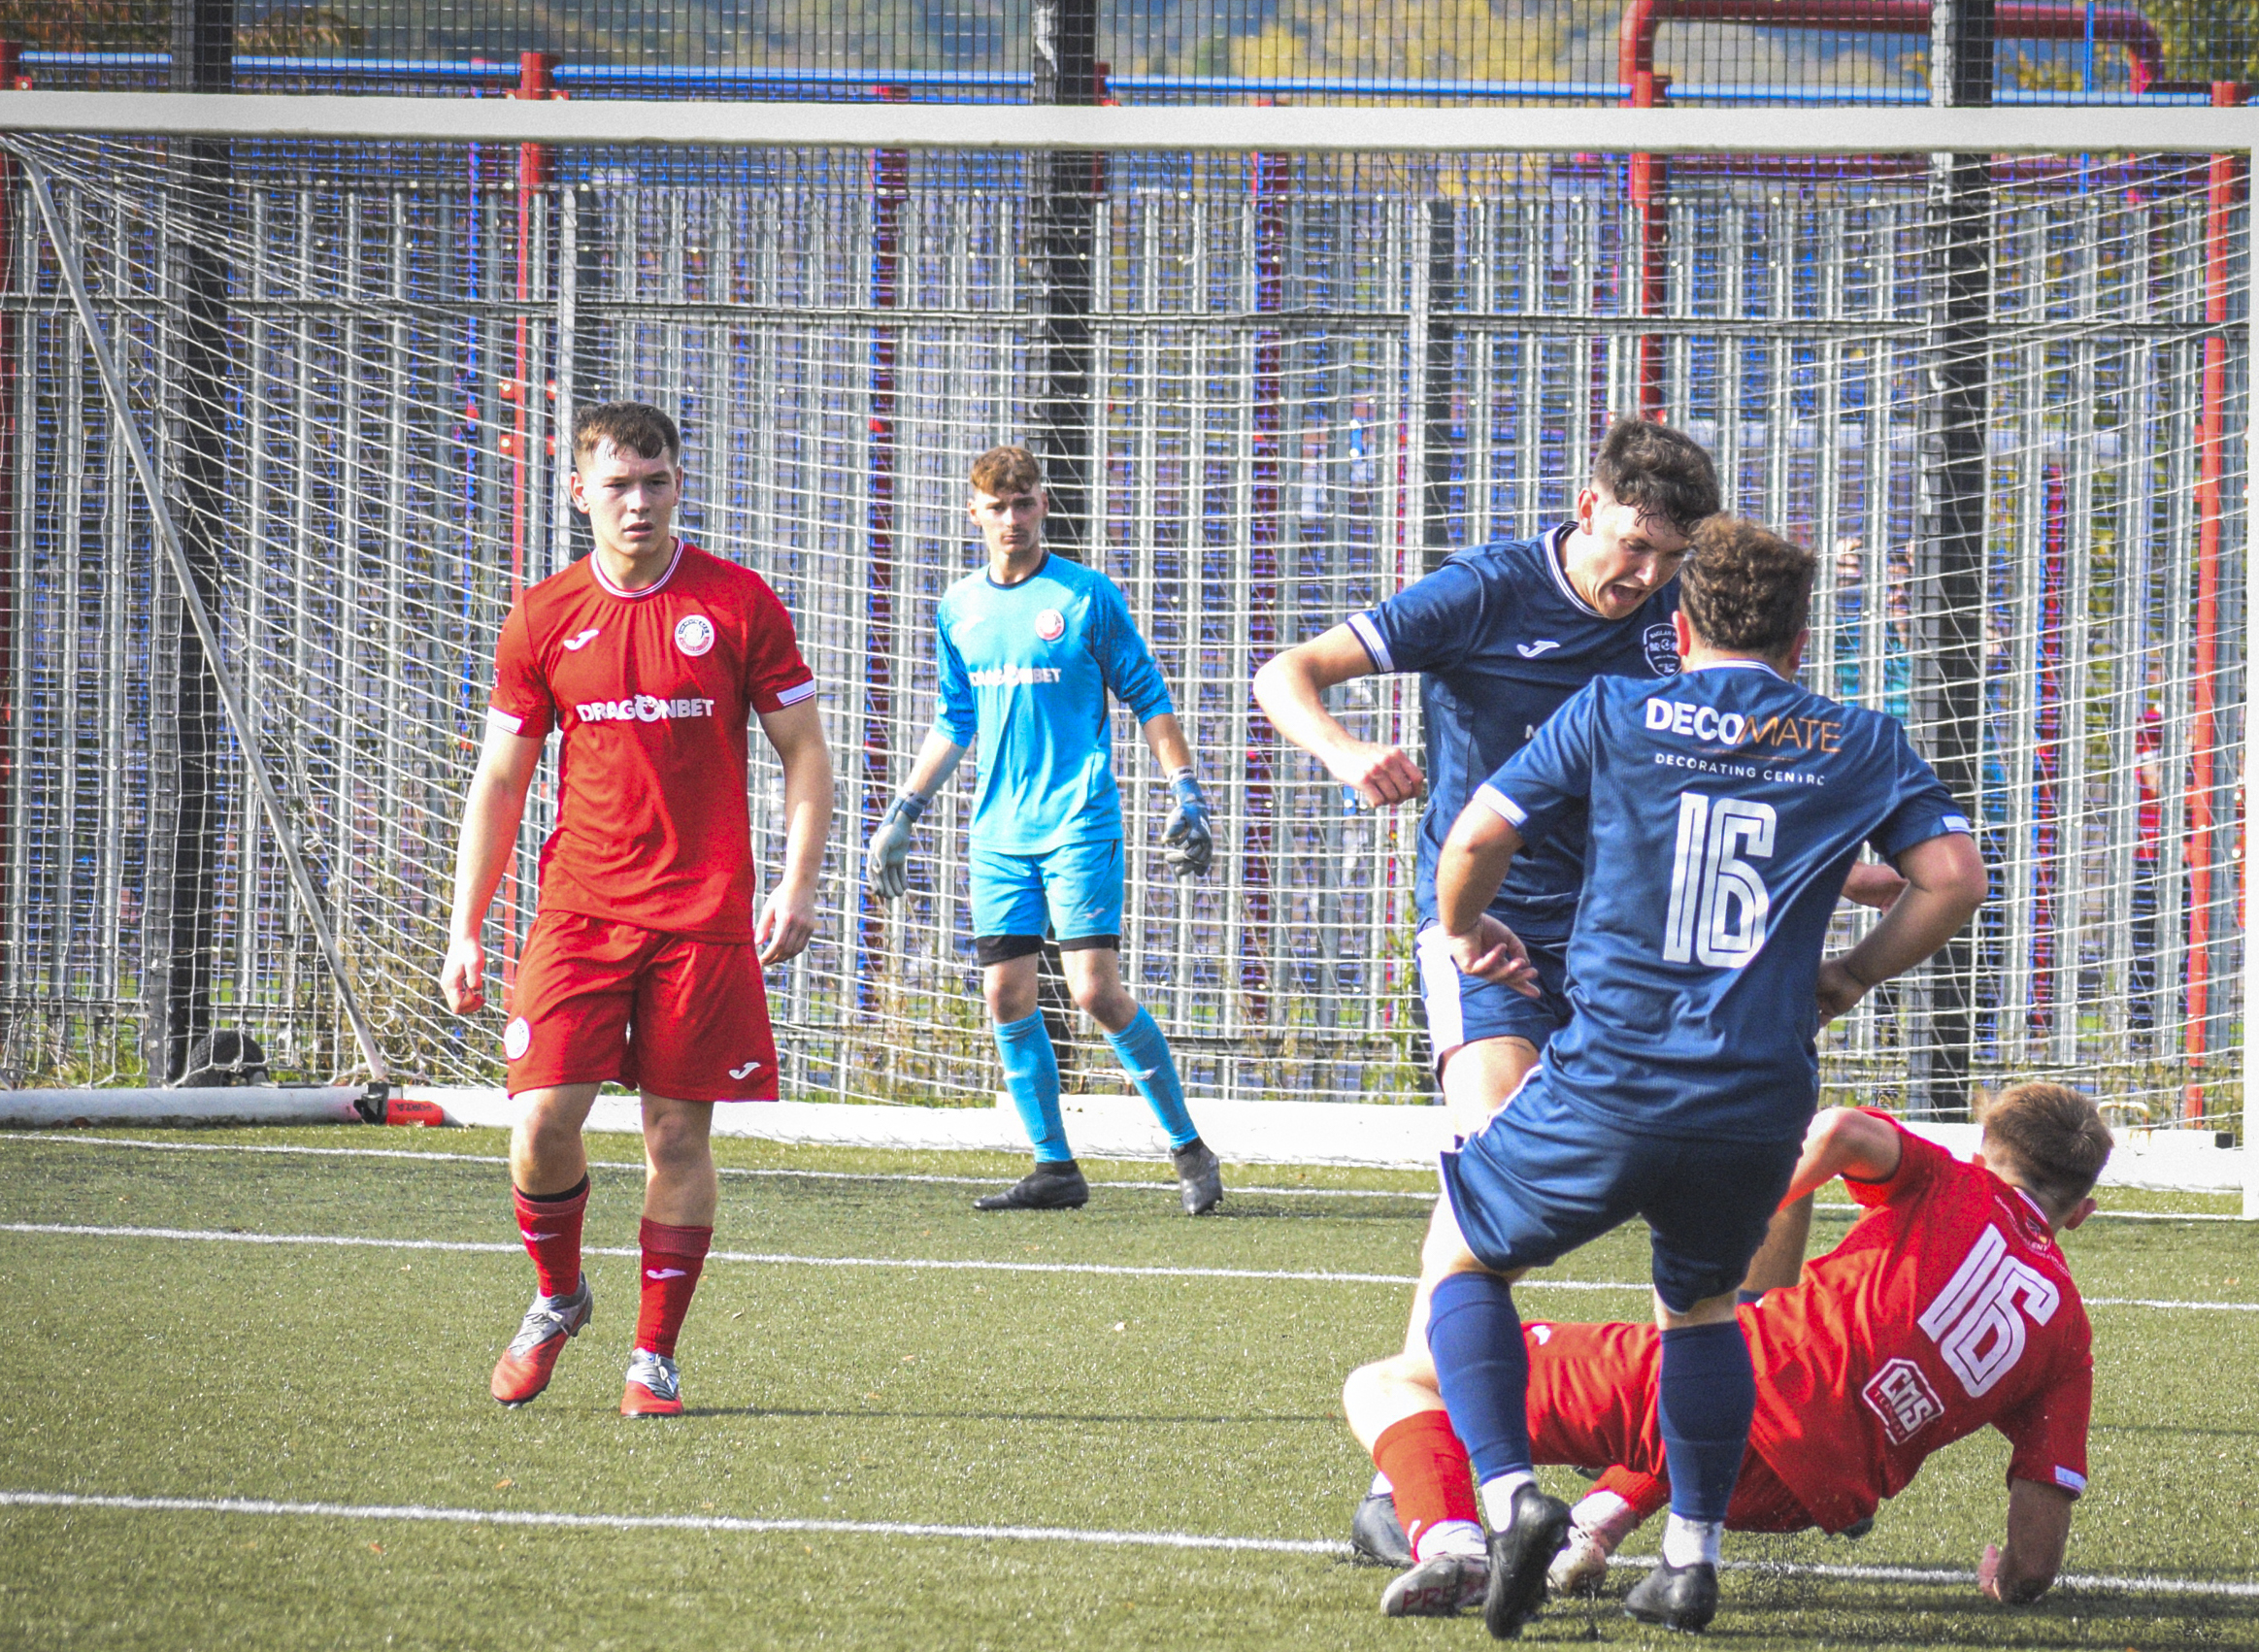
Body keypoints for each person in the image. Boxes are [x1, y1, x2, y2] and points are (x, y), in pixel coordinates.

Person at [1402, 513, 1987, 1638]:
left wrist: (1467, 934)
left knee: (1465, 1254)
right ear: (1802, 642)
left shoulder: (1618, 706)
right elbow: (1954, 876)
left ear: (1678, 628)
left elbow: (1475, 834)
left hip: (1610, 1077)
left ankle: (1512, 1496)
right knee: (1704, 1308)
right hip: (1755, 1097)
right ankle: (1688, 1555)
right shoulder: (1857, 737)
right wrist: (1852, 975)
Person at [1343, 1084, 2107, 1620]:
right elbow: (2037, 1556)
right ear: (2081, 1212)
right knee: (1726, 1364)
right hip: (1799, 1504)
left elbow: (1839, 1130)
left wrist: (1738, 1215)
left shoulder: (1954, 1183)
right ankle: (1597, 1523)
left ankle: (1457, 1545)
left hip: (1738, 1395)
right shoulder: (2070, 1336)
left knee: (1399, 1383)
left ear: (1986, 1151)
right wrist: (2007, 1580)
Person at [441, 402, 834, 1419]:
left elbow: (805, 751)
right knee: (540, 1125)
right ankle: (560, 1294)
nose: (640, 502)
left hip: (702, 916)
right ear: (581, 493)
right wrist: (464, 925)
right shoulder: (540, 616)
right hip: (578, 910)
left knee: (675, 1136)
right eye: (618, 484)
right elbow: (500, 780)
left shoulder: (739, 603)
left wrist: (797, 881)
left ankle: (652, 1356)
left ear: (676, 486)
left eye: (656, 482)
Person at [1251, 417, 1718, 1143]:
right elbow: (1285, 674)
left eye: (1671, 556)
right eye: (1635, 547)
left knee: (1702, 1161)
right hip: (1488, 925)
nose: (1650, 576)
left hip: (1627, 925)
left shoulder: (1684, 612)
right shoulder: (1484, 592)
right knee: (1501, 1141)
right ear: (1590, 509)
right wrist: (1346, 752)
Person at [862, 445, 1224, 1215]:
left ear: (1042, 506)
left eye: (1024, 502)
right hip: (996, 832)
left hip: (1077, 819)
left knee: (1094, 991)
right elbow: (955, 720)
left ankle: (1188, 1147)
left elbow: (1148, 696)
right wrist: (904, 811)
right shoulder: (958, 607)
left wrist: (1185, 789)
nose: (1012, 518)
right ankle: (1055, 1168)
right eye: (997, 506)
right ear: (975, 513)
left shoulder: (1086, 597)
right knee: (1005, 994)